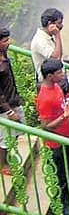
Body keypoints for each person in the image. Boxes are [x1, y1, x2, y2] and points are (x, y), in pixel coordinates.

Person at [36, 58, 69, 214]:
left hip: (66, 137)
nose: (62, 74)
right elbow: (46, 125)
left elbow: (61, 106)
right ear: (49, 76)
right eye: (59, 72)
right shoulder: (45, 97)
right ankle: (63, 208)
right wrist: (65, 115)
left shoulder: (56, 87)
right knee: (62, 176)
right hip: (56, 144)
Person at [30, 8, 69, 89]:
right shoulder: (39, 40)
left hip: (57, 79)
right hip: (49, 84)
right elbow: (55, 58)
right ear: (50, 23)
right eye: (59, 23)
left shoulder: (48, 37)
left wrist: (68, 61)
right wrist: (57, 35)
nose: (61, 26)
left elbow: (57, 55)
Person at [0, 27, 24, 176]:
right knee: (4, 138)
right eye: (5, 41)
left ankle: (8, 159)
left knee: (16, 132)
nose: (8, 43)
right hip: (4, 107)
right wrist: (8, 110)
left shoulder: (4, 55)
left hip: (13, 99)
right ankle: (2, 165)